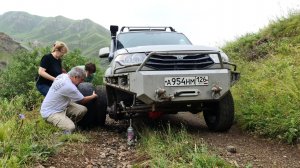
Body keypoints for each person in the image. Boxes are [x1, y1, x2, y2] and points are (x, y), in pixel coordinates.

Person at [40, 67, 98, 133]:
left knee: (82, 110)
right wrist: (93, 96)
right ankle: (60, 129)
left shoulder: (62, 76)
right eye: (81, 80)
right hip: (51, 112)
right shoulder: (69, 86)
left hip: (61, 106)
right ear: (76, 77)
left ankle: (65, 121)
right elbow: (83, 100)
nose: (82, 82)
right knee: (70, 128)